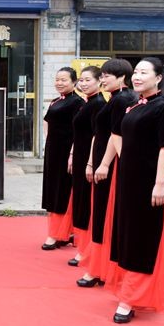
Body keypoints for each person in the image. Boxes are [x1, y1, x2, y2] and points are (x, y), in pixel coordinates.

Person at [107, 58, 164, 324]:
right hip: (129, 178)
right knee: (126, 233)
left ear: (158, 77)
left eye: (143, 72)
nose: (137, 76)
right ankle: (128, 289)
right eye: (135, 72)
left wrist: (159, 183)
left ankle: (131, 298)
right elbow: (121, 138)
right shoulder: (135, 105)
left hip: (151, 181)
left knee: (142, 237)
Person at [79, 59, 136, 288]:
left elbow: (116, 135)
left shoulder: (122, 99)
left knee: (104, 214)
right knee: (101, 213)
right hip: (105, 159)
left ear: (122, 77)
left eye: (106, 76)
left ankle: (101, 270)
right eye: (101, 76)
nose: (103, 79)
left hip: (109, 163)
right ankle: (100, 267)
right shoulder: (117, 98)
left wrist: (101, 165)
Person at [41, 67, 83, 250]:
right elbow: (47, 121)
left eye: (64, 80)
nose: (59, 83)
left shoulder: (78, 102)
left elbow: (79, 131)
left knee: (63, 190)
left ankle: (59, 234)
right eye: (57, 79)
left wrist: (73, 154)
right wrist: (47, 142)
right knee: (52, 189)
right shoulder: (56, 101)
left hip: (68, 152)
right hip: (53, 151)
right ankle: (66, 232)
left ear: (74, 82)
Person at [67, 66, 105, 267]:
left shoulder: (98, 104)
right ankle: (82, 247)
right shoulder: (86, 103)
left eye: (87, 80)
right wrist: (72, 154)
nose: (83, 83)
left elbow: (96, 136)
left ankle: (87, 250)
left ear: (99, 81)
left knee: (86, 202)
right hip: (80, 155)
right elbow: (78, 133)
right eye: (81, 80)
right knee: (80, 200)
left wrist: (90, 162)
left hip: (90, 158)